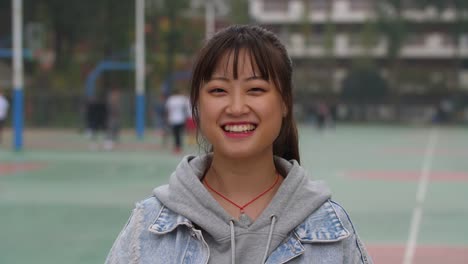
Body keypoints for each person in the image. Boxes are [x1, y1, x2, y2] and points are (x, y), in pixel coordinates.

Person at [105, 25, 372, 264]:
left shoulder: (333, 230)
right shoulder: (148, 225)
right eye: (218, 90)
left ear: (284, 103)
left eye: (255, 89)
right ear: (197, 105)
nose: (236, 107)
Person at [165, 88, 190, 154]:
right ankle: (179, 147)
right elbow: (186, 107)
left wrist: (168, 118)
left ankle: (177, 147)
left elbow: (168, 110)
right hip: (181, 119)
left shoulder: (170, 99)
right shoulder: (182, 98)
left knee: (175, 134)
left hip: (173, 119)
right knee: (179, 134)